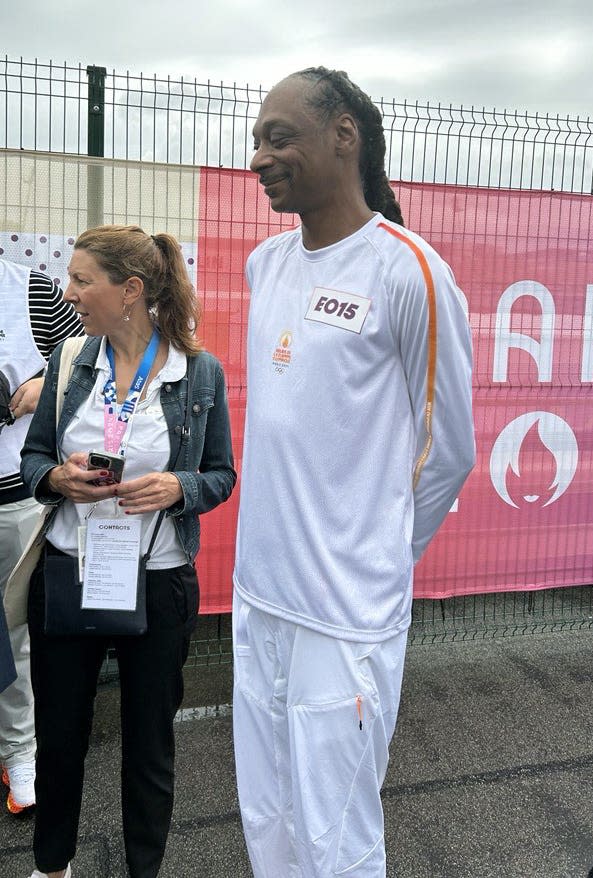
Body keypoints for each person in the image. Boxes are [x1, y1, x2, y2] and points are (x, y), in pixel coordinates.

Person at [232, 66, 476, 877]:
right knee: (267, 815)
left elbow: (448, 453)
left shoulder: (408, 270)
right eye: (256, 139)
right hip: (260, 595)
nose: (259, 156)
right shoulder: (265, 264)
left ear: (345, 136)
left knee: (335, 835)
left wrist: (378, 558)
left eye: (278, 136)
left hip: (345, 614)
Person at [20, 225, 236, 878]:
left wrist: (180, 486)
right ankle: (51, 866)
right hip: (70, 574)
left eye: (84, 280)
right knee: (60, 740)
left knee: (149, 746)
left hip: (158, 580)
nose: (71, 292)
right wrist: (56, 477)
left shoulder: (197, 373)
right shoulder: (67, 364)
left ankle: (145, 868)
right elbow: (35, 455)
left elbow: (222, 474)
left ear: (130, 290)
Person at [0, 259, 84, 815]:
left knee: (13, 634)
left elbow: (90, 359)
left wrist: (39, 381)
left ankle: (20, 754)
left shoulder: (29, 287)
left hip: (16, 498)